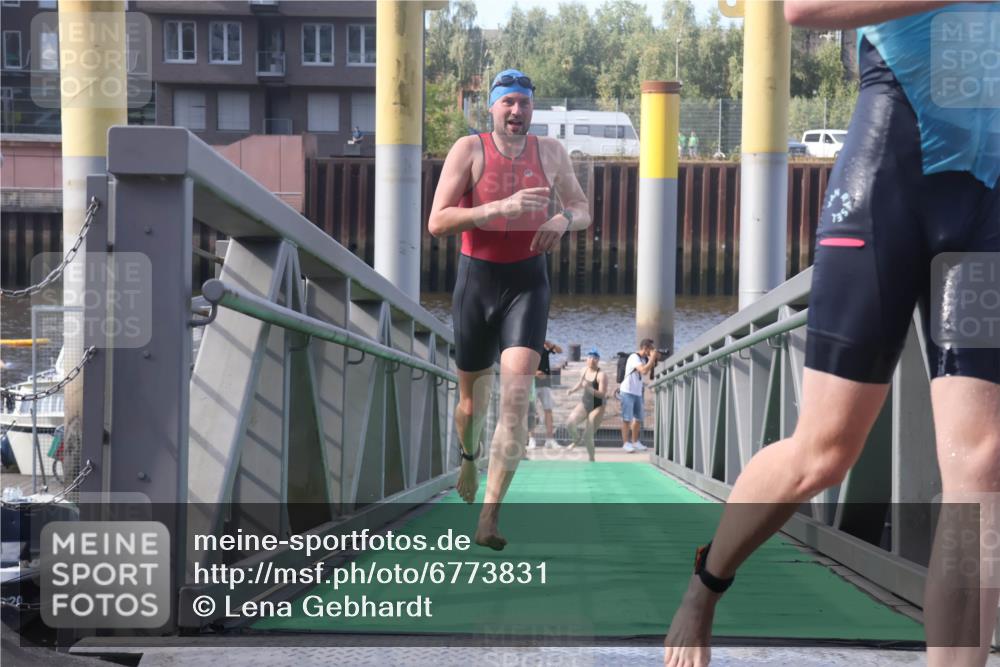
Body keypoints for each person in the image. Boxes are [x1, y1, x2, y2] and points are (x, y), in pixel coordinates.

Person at [664, 3, 1000, 666]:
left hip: (985, 201)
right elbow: (805, 8)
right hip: (889, 174)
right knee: (824, 450)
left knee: (983, 465)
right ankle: (706, 583)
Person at [427, 69, 591, 550]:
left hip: (528, 284)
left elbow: (583, 208)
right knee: (470, 406)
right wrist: (498, 208)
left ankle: (490, 517)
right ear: (493, 108)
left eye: (524, 103)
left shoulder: (553, 154)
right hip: (476, 283)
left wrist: (563, 220)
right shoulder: (469, 149)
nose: (517, 111)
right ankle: (468, 455)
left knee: (516, 402)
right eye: (508, 103)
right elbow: (437, 221)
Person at [565, 347, 608, 462]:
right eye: (589, 357)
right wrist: (572, 390)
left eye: (594, 358)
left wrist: (589, 388)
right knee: (570, 423)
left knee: (588, 436)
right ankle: (575, 439)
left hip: (598, 406)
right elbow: (580, 383)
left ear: (598, 360)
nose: (591, 360)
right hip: (585, 403)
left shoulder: (601, 375)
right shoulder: (584, 370)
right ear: (586, 360)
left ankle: (591, 459)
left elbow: (602, 394)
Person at [619, 338, 659, 453]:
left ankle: (635, 441)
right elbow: (644, 371)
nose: (651, 352)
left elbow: (650, 369)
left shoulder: (644, 358)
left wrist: (655, 357)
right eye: (650, 349)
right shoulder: (634, 357)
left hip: (637, 392)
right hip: (627, 391)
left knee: (639, 418)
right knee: (627, 419)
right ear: (645, 348)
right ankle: (626, 443)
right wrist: (652, 358)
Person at [528, 340, 563, 450]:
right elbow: (521, 364)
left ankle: (550, 439)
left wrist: (551, 344)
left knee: (548, 410)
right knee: (531, 412)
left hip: (545, 382)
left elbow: (560, 351)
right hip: (532, 383)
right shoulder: (528, 344)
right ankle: (531, 440)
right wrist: (534, 372)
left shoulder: (544, 344)